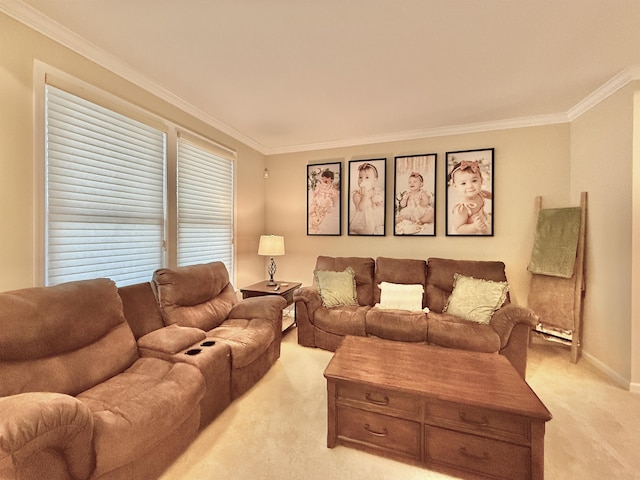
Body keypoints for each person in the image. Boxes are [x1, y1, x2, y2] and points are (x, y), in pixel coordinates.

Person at [448, 160, 492, 234]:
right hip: (470, 231)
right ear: (455, 186)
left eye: (474, 181)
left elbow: (491, 195)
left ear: (481, 180)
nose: (470, 186)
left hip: (483, 221)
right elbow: (459, 228)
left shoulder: (480, 193)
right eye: (463, 183)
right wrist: (474, 227)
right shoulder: (462, 208)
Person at [349, 162, 384, 235]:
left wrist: (378, 201)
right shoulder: (357, 194)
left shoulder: (375, 191)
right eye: (360, 177)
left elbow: (380, 203)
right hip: (363, 218)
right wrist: (365, 196)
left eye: (367, 177)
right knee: (367, 230)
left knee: (379, 227)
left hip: (375, 216)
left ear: (375, 179)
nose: (362, 180)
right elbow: (361, 208)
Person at [308, 169, 338, 233]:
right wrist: (313, 200)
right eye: (323, 178)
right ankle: (313, 225)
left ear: (331, 180)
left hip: (325, 203)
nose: (324, 180)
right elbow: (315, 193)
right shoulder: (319, 186)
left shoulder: (331, 188)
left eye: (326, 179)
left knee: (322, 213)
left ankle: (315, 224)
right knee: (314, 212)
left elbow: (334, 196)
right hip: (318, 201)